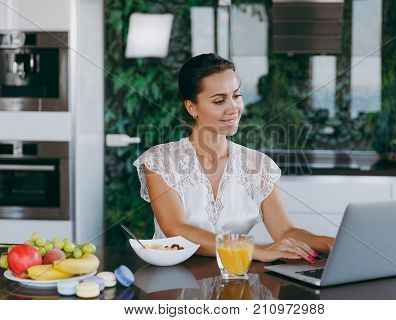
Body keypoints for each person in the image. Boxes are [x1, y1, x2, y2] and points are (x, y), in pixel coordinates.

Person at [133, 53, 334, 263]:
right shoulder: (159, 161)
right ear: (191, 107)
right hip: (175, 282)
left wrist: (331, 243)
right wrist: (253, 250)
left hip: (236, 280)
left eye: (236, 96)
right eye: (219, 100)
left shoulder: (260, 166)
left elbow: (284, 231)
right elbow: (176, 229)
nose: (233, 108)